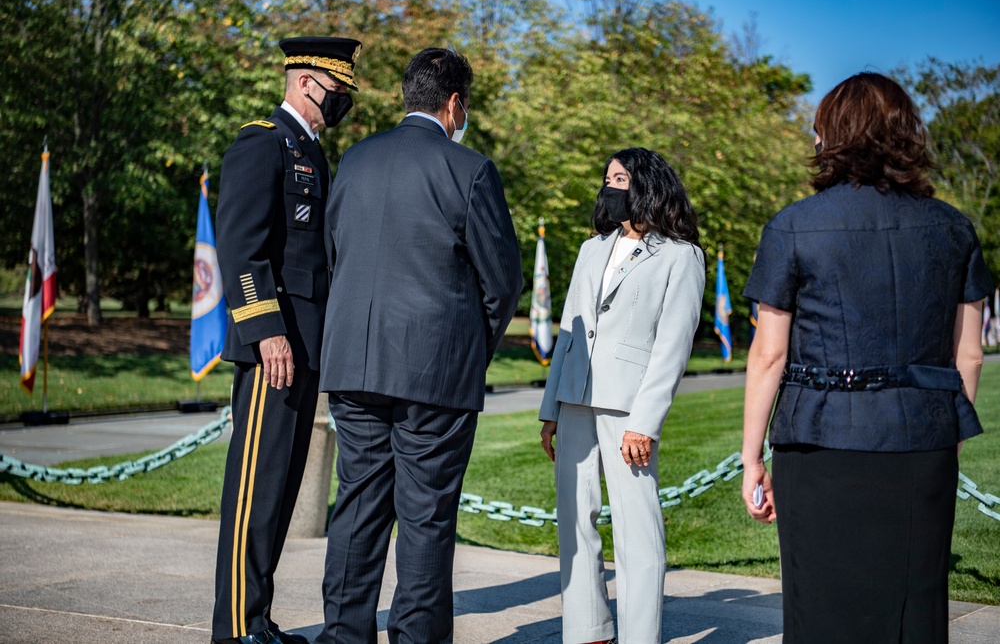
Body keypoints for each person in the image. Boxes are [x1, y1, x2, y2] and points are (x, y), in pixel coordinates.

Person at [741, 72, 991, 643]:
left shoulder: (793, 226)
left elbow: (768, 354)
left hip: (819, 442)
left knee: (821, 610)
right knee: (916, 610)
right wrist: (943, 438)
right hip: (921, 443)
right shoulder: (954, 228)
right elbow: (968, 354)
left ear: (830, 134)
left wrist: (751, 457)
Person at [316, 47, 523, 644]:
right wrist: (470, 349)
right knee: (426, 518)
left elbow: (335, 258)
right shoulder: (471, 169)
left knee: (356, 509)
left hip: (355, 362)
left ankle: (344, 636)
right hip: (436, 373)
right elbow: (501, 282)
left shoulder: (354, 160)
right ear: (454, 103)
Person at [211, 36, 362, 644]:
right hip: (273, 349)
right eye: (337, 90)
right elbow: (241, 247)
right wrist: (266, 330)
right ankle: (235, 631)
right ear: (304, 81)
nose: (343, 101)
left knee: (278, 491)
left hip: (304, 350)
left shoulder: (311, 150)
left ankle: (258, 620)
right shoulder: (263, 141)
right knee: (254, 494)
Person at [539, 148, 706, 644]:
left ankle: (640, 636)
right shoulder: (593, 248)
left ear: (646, 186)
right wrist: (550, 410)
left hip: (628, 409)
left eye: (619, 178)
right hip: (574, 401)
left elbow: (672, 347)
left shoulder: (682, 255)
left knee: (637, 527)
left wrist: (645, 422)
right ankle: (588, 630)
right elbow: (568, 332)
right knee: (574, 518)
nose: (609, 187)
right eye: (606, 178)